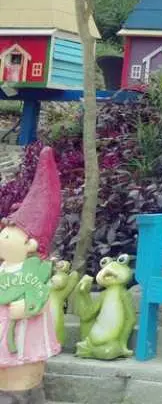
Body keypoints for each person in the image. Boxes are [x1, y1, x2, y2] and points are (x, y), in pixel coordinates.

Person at [0, 148, 62, 404]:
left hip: (24, 333)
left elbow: (41, 297)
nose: (2, 238)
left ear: (31, 245)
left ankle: (21, 393)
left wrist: (28, 306)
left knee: (20, 370)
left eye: (7, 235)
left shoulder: (36, 272)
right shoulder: (3, 268)